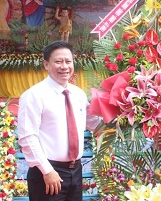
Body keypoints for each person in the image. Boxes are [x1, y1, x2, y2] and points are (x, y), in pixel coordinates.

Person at [18, 41, 102, 201]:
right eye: (58, 61)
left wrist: (124, 115)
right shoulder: (34, 95)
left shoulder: (78, 94)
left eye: (68, 61)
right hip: (47, 173)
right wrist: (47, 171)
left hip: (76, 170)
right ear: (46, 64)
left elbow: (93, 123)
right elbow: (27, 138)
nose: (64, 66)